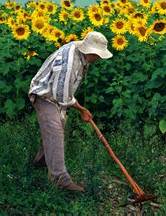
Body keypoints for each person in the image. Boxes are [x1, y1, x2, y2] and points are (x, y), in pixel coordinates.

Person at [28, 31, 113, 193]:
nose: (98, 58)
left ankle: (41, 160)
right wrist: (81, 109)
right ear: (90, 52)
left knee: (57, 128)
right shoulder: (68, 62)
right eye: (97, 55)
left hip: (54, 94)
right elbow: (61, 95)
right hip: (44, 94)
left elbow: (64, 91)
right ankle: (60, 180)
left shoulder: (80, 53)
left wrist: (80, 108)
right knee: (55, 130)